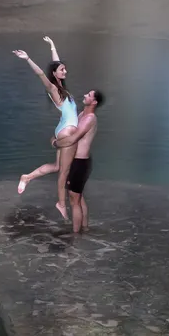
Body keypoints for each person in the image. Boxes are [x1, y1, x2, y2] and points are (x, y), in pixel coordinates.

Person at [13, 36, 78, 219]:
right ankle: (61, 204)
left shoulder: (62, 87)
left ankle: (27, 177)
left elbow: (54, 64)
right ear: (55, 74)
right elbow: (41, 73)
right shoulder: (53, 89)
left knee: (58, 166)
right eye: (62, 70)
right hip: (66, 131)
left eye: (64, 68)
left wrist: (52, 46)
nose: (65, 71)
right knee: (63, 171)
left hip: (63, 129)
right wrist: (28, 59)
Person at [52, 89, 104, 233]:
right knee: (79, 198)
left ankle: (76, 234)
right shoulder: (82, 115)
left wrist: (56, 143)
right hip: (77, 161)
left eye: (89, 95)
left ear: (94, 102)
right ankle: (85, 227)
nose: (85, 95)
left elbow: (73, 138)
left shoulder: (89, 118)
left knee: (74, 200)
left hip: (80, 163)